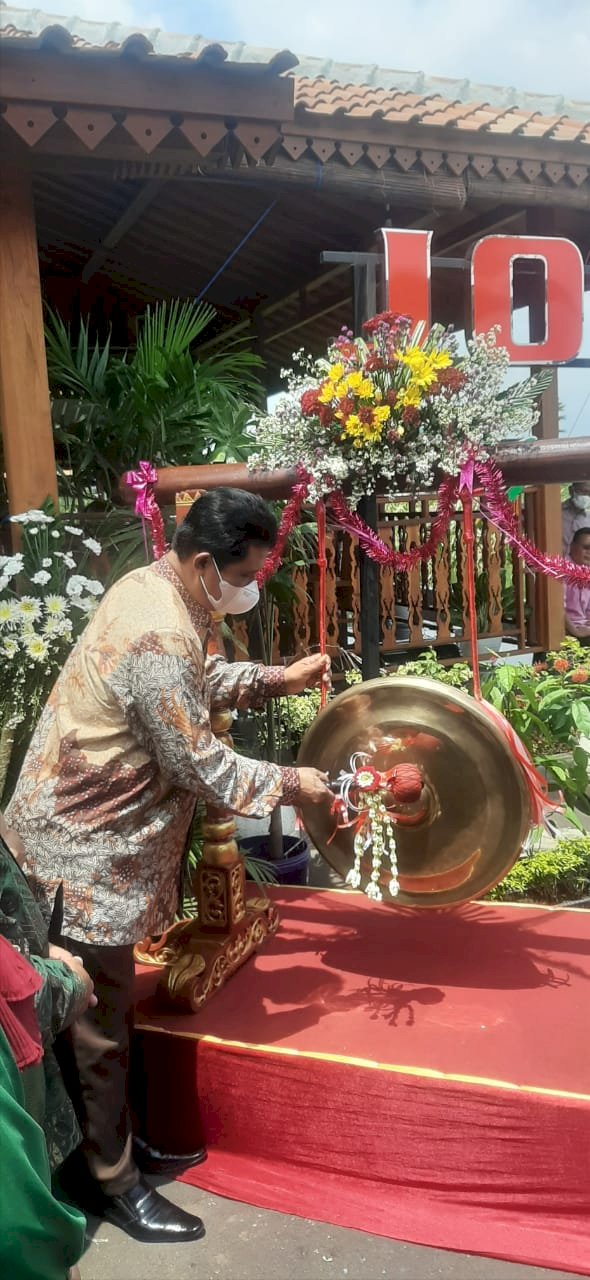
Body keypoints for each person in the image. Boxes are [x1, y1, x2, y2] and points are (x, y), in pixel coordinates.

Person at [6, 487, 332, 1244]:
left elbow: (182, 689)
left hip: (95, 839)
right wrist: (296, 782)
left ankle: (110, 1143)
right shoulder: (159, 624)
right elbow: (197, 758)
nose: (247, 590)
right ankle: (109, 1180)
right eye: (243, 575)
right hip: (81, 848)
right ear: (202, 561)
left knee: (108, 1011)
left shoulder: (154, 584)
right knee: (96, 1018)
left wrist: (271, 679)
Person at [564, 527, 590, 642]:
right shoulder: (561, 570)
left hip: (584, 629)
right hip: (566, 631)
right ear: (572, 546)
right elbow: (556, 608)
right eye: (586, 548)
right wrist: (575, 631)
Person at [562, 482, 590, 556]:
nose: (586, 497)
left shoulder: (588, 520)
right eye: (583, 491)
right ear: (571, 490)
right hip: (551, 564)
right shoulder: (554, 513)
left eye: (589, 494)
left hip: (579, 567)